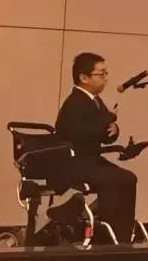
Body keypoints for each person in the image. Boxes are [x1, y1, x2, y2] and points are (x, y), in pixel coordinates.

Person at [55, 52, 137, 243]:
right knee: (114, 179)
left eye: (105, 73)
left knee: (128, 178)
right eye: (101, 74)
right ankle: (107, 235)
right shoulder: (75, 102)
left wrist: (113, 130)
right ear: (84, 78)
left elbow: (102, 132)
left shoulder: (95, 100)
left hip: (91, 160)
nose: (105, 78)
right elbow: (77, 132)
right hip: (75, 161)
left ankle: (123, 233)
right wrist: (108, 118)